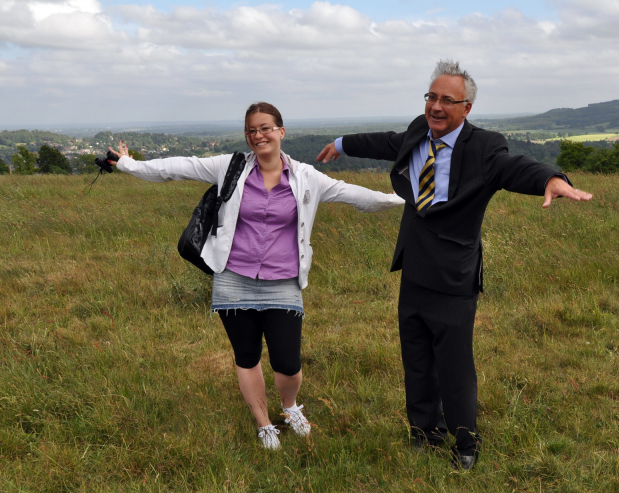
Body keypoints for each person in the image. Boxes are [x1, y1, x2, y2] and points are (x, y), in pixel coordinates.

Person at [317, 60, 592, 470]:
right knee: (416, 358)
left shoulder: (483, 146)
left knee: (454, 365)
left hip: (453, 275)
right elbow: (384, 142)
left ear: (467, 108)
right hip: (414, 268)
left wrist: (551, 178)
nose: (436, 106)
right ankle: (424, 432)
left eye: (448, 100)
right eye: (432, 97)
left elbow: (512, 167)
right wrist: (341, 143)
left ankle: (466, 444)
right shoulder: (417, 132)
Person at [109, 102, 404, 451]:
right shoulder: (230, 167)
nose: (258, 135)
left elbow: (352, 194)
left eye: (265, 128)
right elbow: (178, 167)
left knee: (288, 364)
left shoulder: (306, 177)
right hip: (234, 279)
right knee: (246, 356)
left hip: (283, 283)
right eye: (251, 130)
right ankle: (264, 423)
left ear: (281, 131)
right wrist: (128, 164)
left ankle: (290, 406)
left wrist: (403, 199)